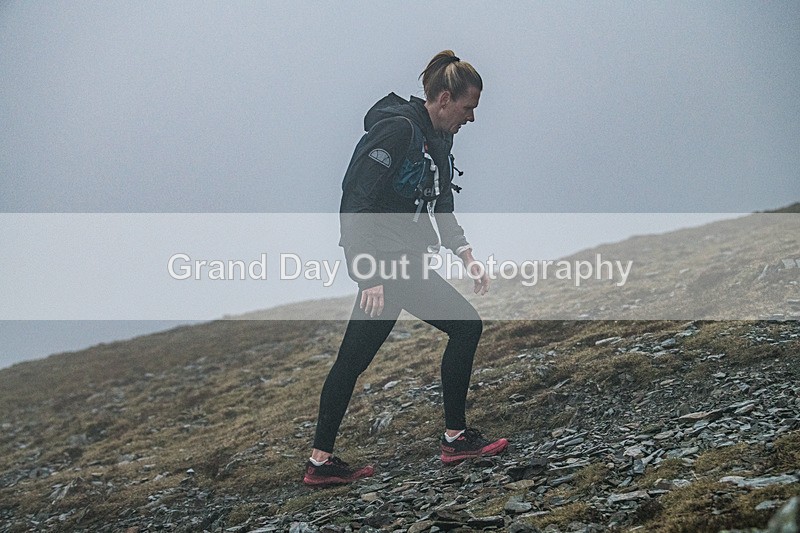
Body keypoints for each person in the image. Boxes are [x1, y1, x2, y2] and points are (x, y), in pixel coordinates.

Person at [303, 50, 508, 487]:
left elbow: (442, 203)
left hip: (401, 264)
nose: (471, 118)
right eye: (469, 108)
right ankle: (455, 438)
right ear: (445, 98)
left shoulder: (438, 139)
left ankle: (320, 462)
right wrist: (368, 273)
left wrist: (466, 254)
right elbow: (354, 200)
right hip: (388, 266)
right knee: (466, 326)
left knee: (351, 361)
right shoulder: (398, 131)